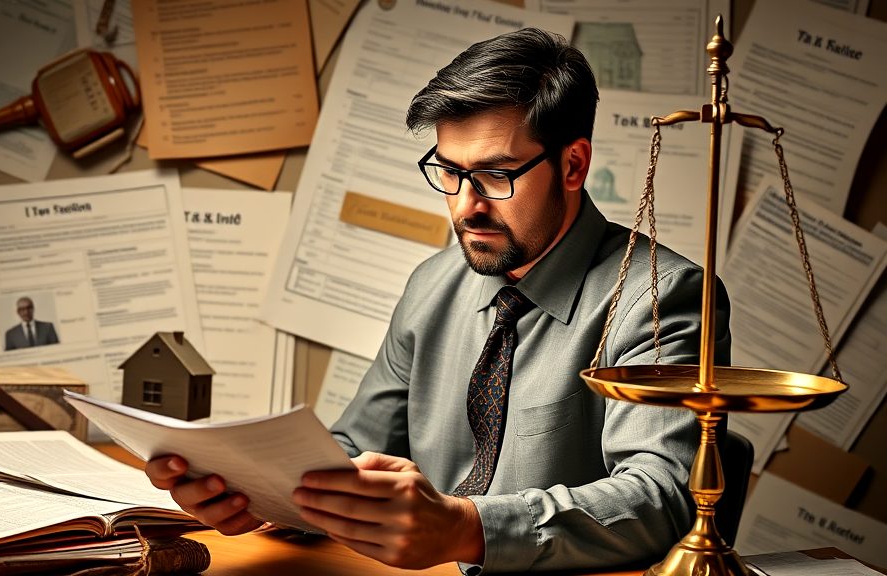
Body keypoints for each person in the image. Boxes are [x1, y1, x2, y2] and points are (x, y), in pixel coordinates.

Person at [145, 28, 731, 573]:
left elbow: (662, 497)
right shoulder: (431, 284)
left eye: (496, 175)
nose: (466, 206)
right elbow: (353, 449)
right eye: (448, 172)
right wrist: (261, 493)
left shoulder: (663, 297)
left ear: (573, 164)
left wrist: (466, 527)